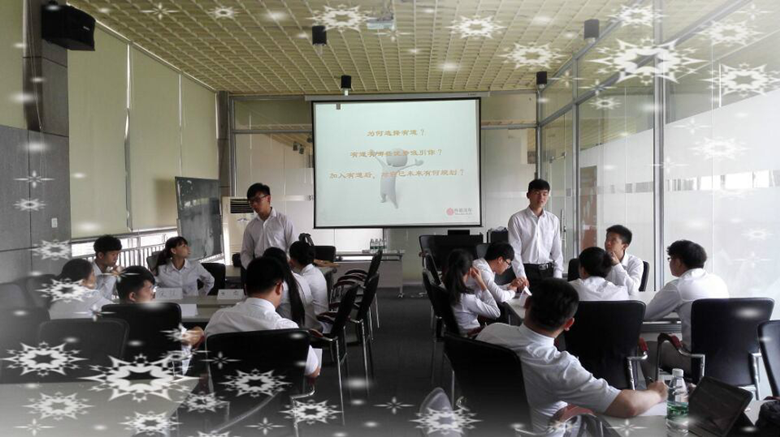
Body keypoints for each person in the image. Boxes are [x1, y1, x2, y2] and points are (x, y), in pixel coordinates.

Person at [477, 278, 667, 434]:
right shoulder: (560, 368)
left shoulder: (491, 332)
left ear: (527, 304)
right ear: (569, 324)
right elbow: (628, 406)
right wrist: (656, 393)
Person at [204, 257, 321, 379]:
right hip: (277, 391)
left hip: (228, 390)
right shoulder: (287, 329)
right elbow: (313, 372)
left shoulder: (219, 319)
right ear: (279, 288)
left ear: (245, 288)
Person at [641, 240, 728, 381]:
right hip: (726, 359)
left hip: (695, 360)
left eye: (670, 259)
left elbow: (646, 315)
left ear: (678, 262)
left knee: (647, 349)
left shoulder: (678, 286)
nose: (669, 263)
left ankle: (655, 391)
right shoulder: (718, 281)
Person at [115, 265, 204, 349]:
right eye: (149, 288)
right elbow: (187, 340)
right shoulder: (159, 317)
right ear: (132, 296)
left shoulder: (111, 317)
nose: (152, 293)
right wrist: (199, 330)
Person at [508, 179, 564, 293]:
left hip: (548, 272)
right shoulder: (517, 219)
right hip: (527, 272)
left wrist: (557, 276)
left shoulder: (553, 220)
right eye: (537, 193)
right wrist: (521, 277)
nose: (541, 197)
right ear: (528, 195)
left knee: (550, 303)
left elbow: (557, 251)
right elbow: (515, 252)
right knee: (527, 304)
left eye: (544, 194)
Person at [444, 249, 500, 335]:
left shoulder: (444, 287)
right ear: (469, 271)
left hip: (458, 335)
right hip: (473, 337)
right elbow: (496, 313)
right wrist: (481, 283)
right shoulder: (466, 298)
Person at [240, 183, 296, 269]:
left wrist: (285, 264)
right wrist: (252, 268)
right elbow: (245, 253)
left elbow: (293, 246)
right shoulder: (251, 226)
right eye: (251, 201)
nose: (254, 204)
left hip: (281, 269)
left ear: (268, 199)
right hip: (260, 270)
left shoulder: (284, 221)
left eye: (257, 200)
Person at [263, 247, 319, 331]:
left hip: (301, 333)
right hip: (312, 329)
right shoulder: (299, 277)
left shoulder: (278, 285)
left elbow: (262, 311)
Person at [48, 259, 113, 320]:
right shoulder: (92, 297)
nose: (95, 278)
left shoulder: (54, 301)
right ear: (83, 282)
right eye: (93, 274)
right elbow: (115, 310)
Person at [289, 241, 328, 316]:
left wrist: (287, 269)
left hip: (315, 319)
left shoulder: (304, 279)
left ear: (293, 259)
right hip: (323, 316)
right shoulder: (316, 271)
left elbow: (292, 303)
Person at [604, 225, 644, 293]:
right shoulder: (600, 260)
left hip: (627, 300)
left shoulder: (635, 262)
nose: (608, 243)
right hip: (604, 298)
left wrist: (617, 265)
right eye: (607, 239)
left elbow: (633, 290)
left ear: (624, 246)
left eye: (613, 240)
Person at [92, 235, 123, 300]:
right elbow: (96, 299)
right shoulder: (88, 273)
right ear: (100, 255)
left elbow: (116, 291)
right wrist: (113, 276)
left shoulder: (108, 270)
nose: (116, 258)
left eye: (117, 254)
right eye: (113, 254)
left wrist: (123, 278)